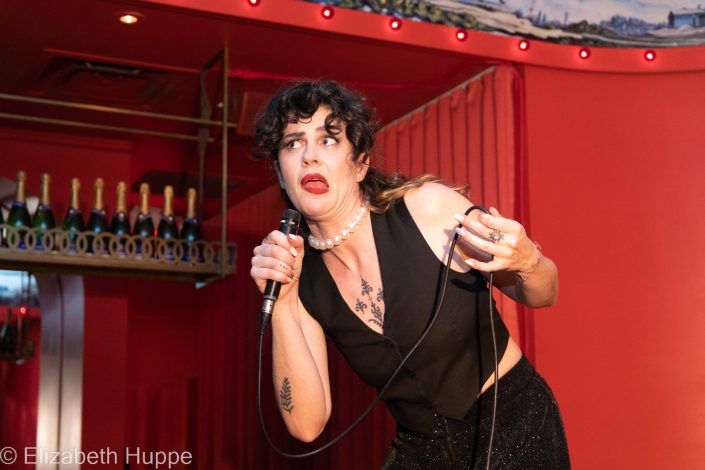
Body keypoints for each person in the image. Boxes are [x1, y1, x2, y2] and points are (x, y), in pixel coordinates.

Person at [250, 80, 570, 469]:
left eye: (328, 140)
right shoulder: (300, 275)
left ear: (360, 162)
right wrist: (283, 303)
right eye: (293, 144)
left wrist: (528, 261)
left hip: (514, 427)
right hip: (423, 451)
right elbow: (305, 425)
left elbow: (544, 294)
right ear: (280, 173)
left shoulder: (427, 209)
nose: (309, 157)